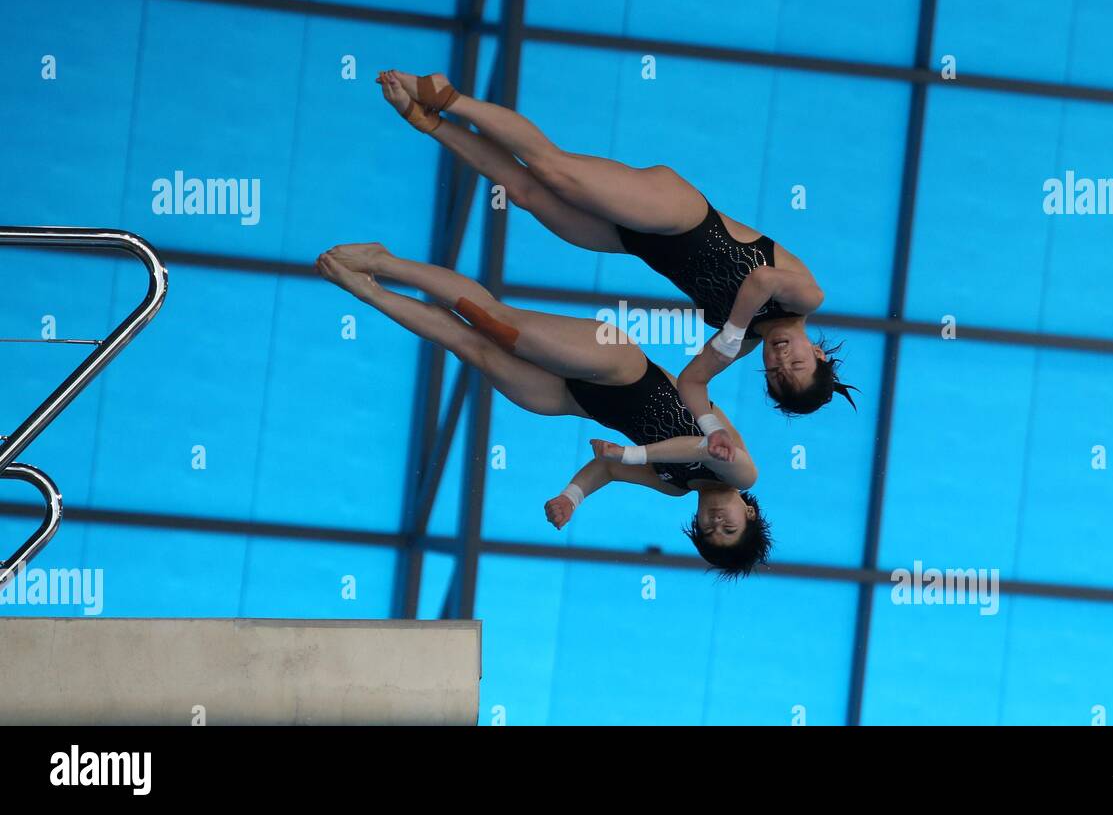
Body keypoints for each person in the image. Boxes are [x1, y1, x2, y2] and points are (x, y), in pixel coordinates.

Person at [375, 69, 856, 454]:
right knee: (553, 169)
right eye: (796, 364)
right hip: (678, 215)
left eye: (776, 375)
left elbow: (692, 382)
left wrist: (712, 429)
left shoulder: (744, 339)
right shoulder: (808, 296)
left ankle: (430, 123)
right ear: (817, 353)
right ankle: (450, 98)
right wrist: (731, 333)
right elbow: (761, 278)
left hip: (633, 242)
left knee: (522, 191)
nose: (780, 360)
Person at [315, 243, 771, 579]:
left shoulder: (676, 490)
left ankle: (368, 293)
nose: (715, 525)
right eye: (727, 529)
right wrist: (632, 455)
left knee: (468, 345)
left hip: (576, 401)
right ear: (748, 515)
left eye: (709, 534)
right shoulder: (743, 476)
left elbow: (606, 470)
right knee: (495, 321)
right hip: (621, 367)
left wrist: (570, 497)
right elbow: (703, 446)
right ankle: (383, 261)